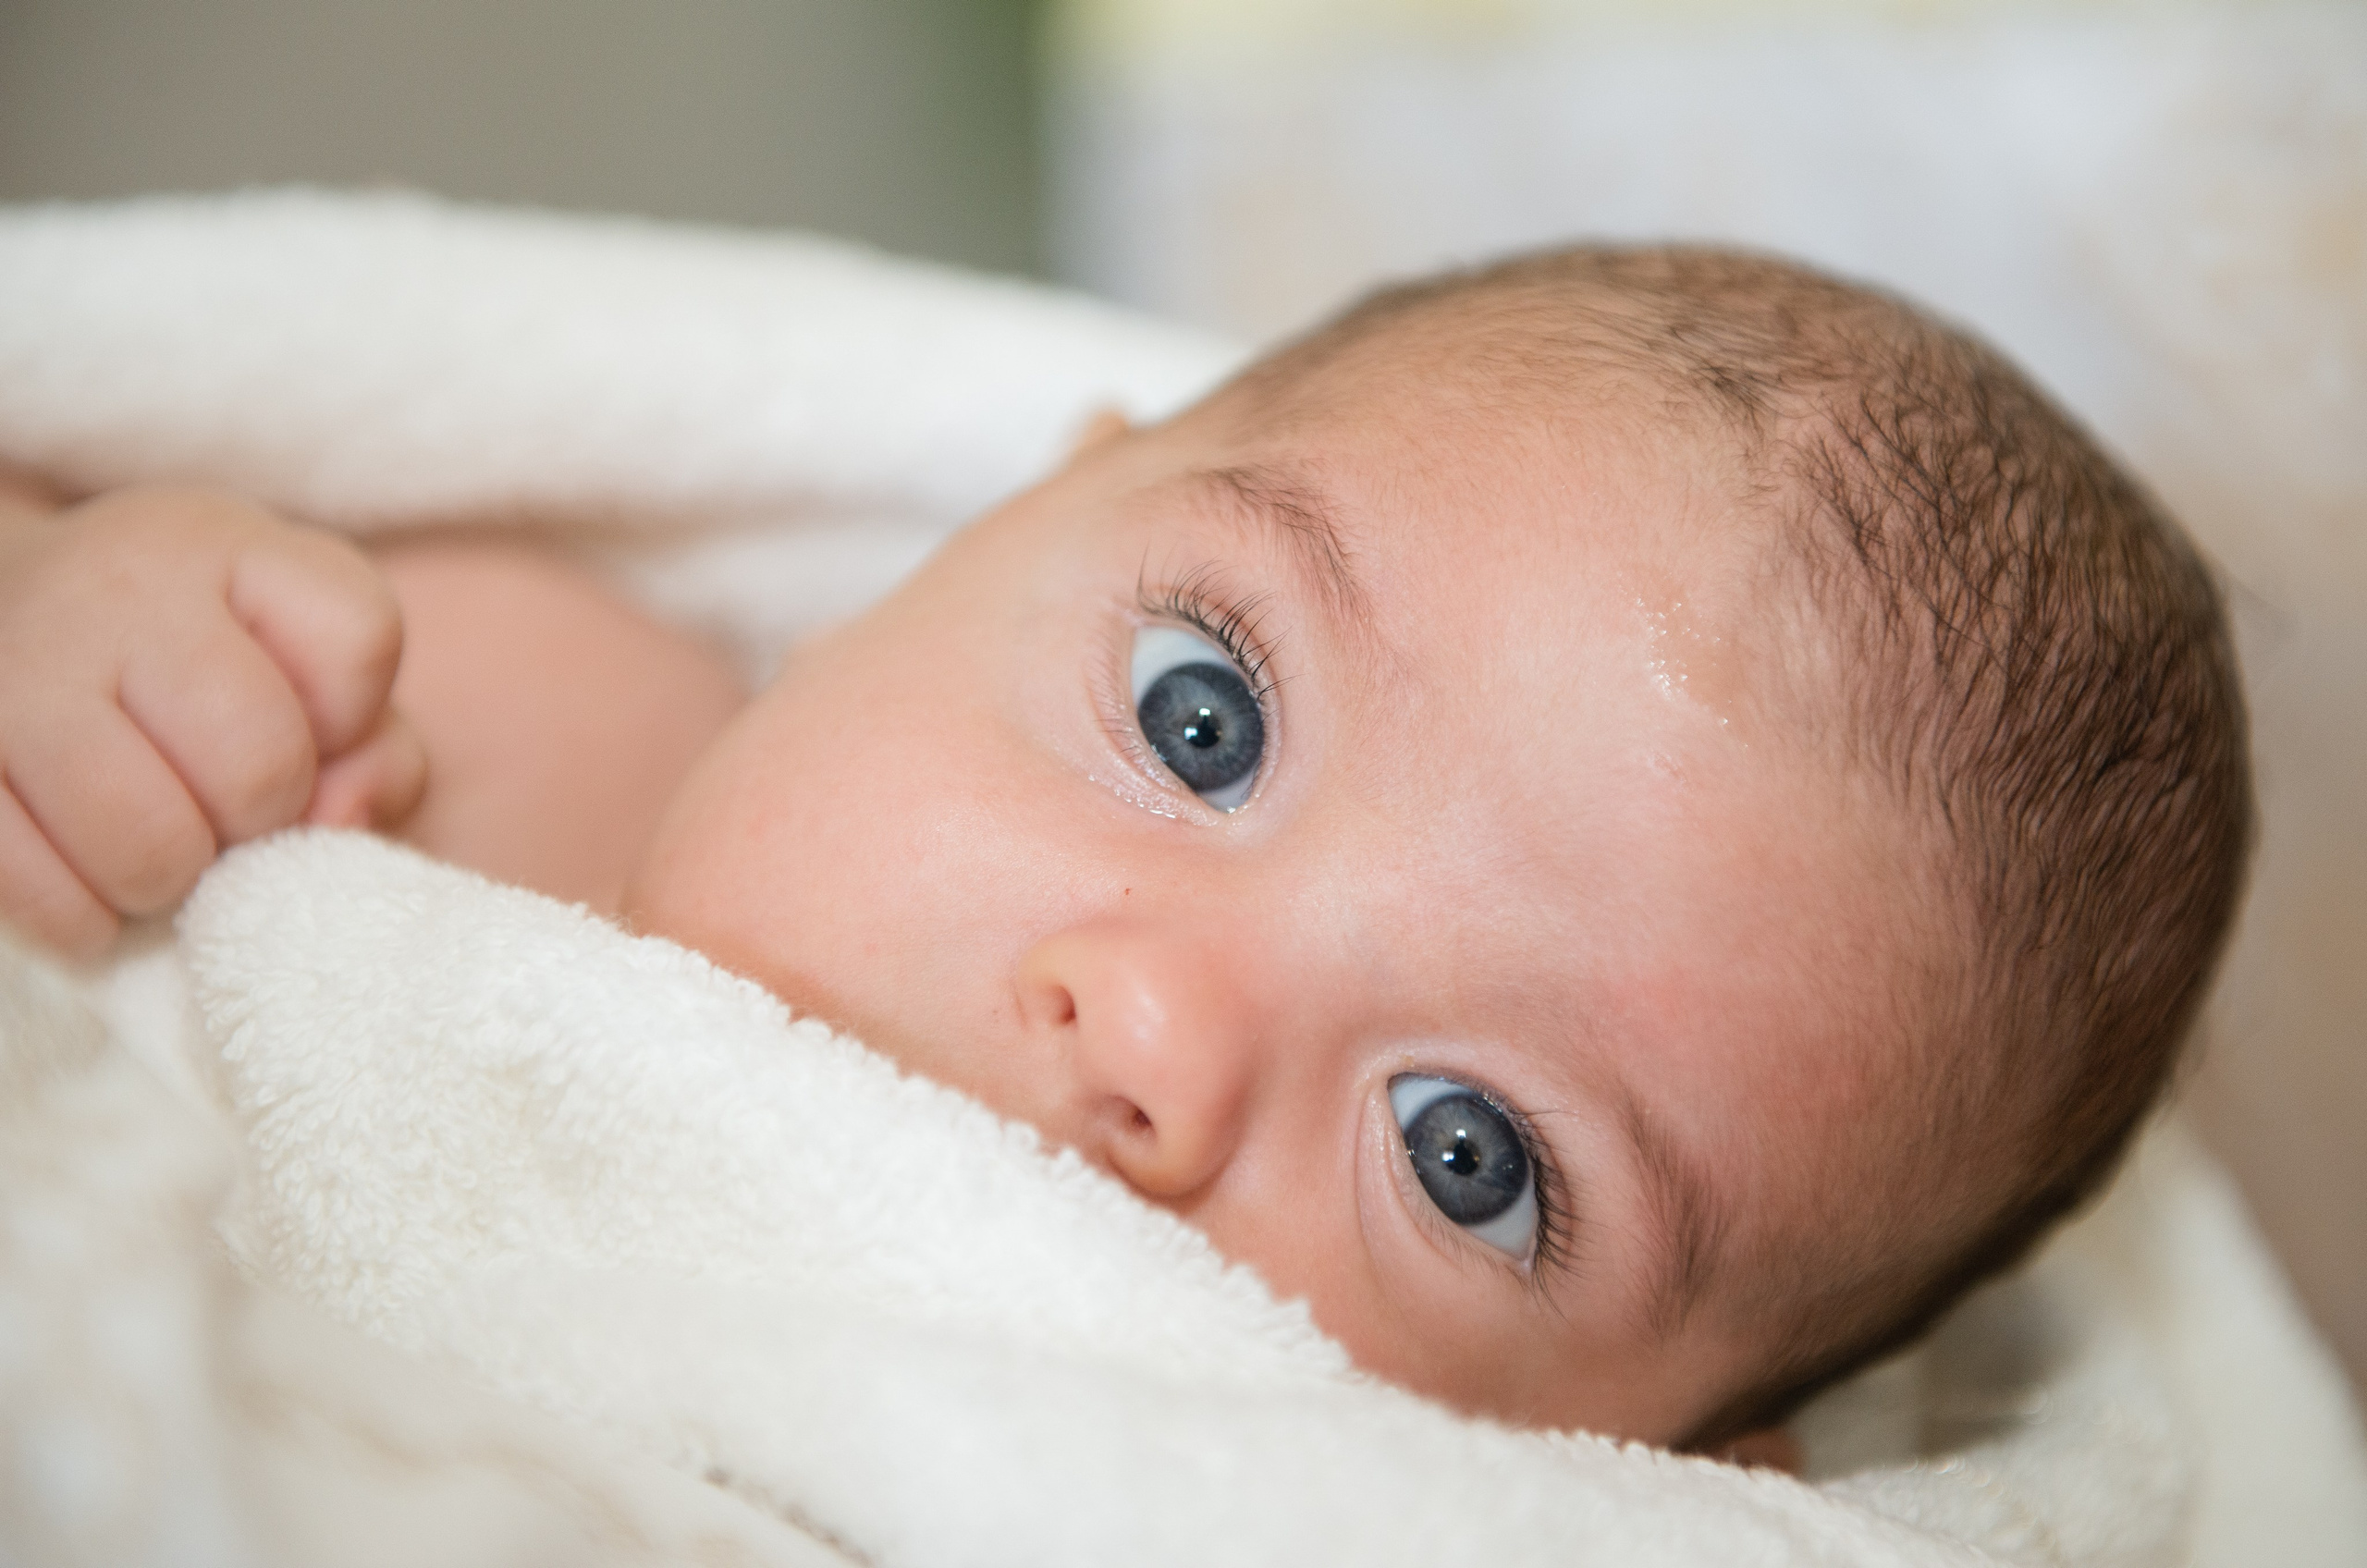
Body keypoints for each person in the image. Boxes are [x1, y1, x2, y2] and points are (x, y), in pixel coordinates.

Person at [0, 246, 2251, 1459]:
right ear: (1010, 513)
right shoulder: (458, 708)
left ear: (1654, 1476)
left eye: (1466, 1155)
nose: (1162, 1024)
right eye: (1204, 720)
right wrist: (73, 629)